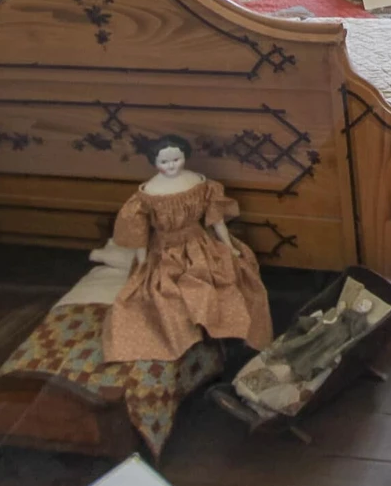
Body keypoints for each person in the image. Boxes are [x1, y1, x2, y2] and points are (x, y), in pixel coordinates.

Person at [104, 135, 273, 363]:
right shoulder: (147, 194)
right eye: (164, 162)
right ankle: (187, 340)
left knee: (226, 278)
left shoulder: (200, 184)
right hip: (165, 250)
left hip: (199, 244)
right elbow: (139, 232)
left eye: (176, 159)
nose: (171, 165)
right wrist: (142, 261)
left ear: (185, 156)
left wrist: (229, 246)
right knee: (163, 294)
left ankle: (228, 338)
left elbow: (216, 220)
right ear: (154, 162)